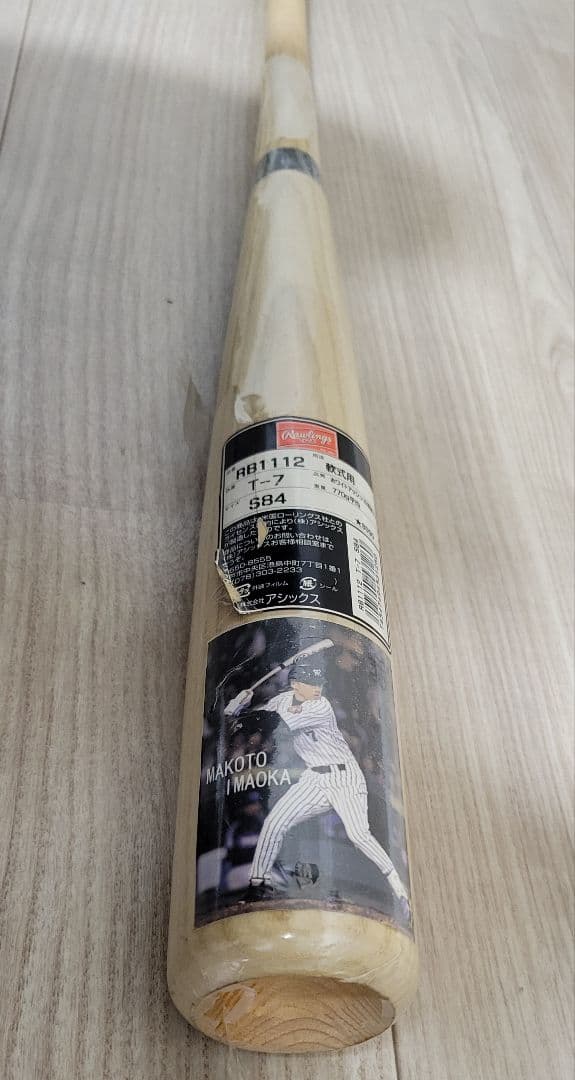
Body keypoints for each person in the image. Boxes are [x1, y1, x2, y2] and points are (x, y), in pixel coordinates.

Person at [224, 660, 410, 919]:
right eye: (311, 683)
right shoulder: (281, 700)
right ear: (294, 684)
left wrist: (239, 714)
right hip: (315, 779)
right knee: (274, 823)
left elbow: (270, 723)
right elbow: (258, 718)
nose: (317, 688)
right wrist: (242, 705)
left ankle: (399, 892)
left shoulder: (320, 706)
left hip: (345, 778)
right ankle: (258, 885)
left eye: (319, 683)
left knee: (359, 835)